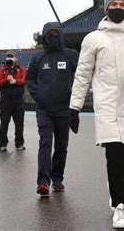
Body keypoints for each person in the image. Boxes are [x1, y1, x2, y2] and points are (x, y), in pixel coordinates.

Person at [69, 0, 124, 229]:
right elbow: (83, 73)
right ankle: (120, 206)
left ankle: (115, 186)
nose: (118, 7)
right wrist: (74, 107)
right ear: (106, 9)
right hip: (106, 105)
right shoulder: (93, 39)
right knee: (114, 155)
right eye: (113, 4)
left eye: (122, 4)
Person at [26, 22, 79, 196]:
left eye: (56, 33)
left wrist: (74, 96)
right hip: (44, 110)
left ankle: (57, 179)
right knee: (45, 143)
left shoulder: (71, 55)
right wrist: (39, 96)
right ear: (44, 37)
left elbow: (82, 75)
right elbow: (30, 80)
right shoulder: (38, 58)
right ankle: (43, 181)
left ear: (61, 35)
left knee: (61, 147)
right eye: (49, 34)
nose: (53, 36)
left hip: (65, 109)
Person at [0, 50, 27, 151]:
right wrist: (6, 79)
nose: (9, 58)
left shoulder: (21, 69)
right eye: (8, 57)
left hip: (18, 100)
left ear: (15, 58)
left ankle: (19, 143)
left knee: (19, 123)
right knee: (4, 122)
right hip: (6, 100)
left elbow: (24, 81)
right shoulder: (2, 69)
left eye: (11, 56)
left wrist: (15, 81)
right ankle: (2, 144)